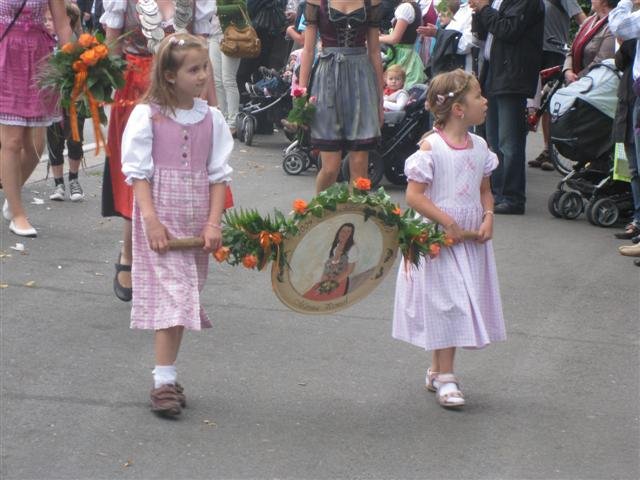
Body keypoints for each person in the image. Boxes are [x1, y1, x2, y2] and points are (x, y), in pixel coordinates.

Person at [120, 33, 233, 417]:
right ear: (169, 75)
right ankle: (163, 383)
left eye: (205, 68)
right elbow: (138, 175)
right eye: (193, 70)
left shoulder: (211, 118)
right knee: (175, 299)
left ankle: (166, 375)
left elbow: (218, 176)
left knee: (185, 297)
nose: (203, 76)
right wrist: (150, 221)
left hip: (195, 221)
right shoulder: (147, 115)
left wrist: (213, 223)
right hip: (162, 220)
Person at [393, 69, 505, 409]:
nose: (485, 101)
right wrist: (447, 222)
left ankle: (437, 371)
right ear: (458, 109)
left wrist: (488, 216)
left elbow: (484, 190)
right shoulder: (432, 147)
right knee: (449, 303)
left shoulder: (480, 147)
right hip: (436, 238)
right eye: (478, 96)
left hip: (467, 239)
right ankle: (446, 377)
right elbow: (414, 196)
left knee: (454, 302)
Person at [100, 0, 216, 302]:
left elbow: (202, 54)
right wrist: (99, 86)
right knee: (139, 174)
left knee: (181, 173)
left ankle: (176, 257)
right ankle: (129, 252)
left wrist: (211, 105)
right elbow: (112, 49)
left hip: (184, 92)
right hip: (136, 90)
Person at [0, 0, 72, 237]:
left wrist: (75, 64)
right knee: (12, 141)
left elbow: (62, 25)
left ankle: (12, 196)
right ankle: (18, 214)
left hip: (38, 58)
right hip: (5, 55)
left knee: (33, 150)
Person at [299, 0, 385, 194]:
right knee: (330, 168)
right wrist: (301, 94)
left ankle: (357, 211)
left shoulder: (372, 2)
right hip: (327, 79)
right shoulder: (316, 2)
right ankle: (319, 210)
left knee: (360, 165)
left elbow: (374, 51)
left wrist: (379, 99)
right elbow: (308, 50)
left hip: (361, 78)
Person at [470, 0, 545, 215]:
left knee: (509, 142)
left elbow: (508, 30)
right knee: (493, 139)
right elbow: (482, 34)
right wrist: (478, 12)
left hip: (512, 75)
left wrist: (485, 9)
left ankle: (512, 197)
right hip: (494, 72)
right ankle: (496, 192)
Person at [528, 0, 585, 171]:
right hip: (533, 51)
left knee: (549, 103)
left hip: (554, 52)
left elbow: (583, 21)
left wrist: (579, 47)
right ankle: (546, 150)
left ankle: (549, 150)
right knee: (533, 103)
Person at [46, 1, 86, 202]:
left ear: (66, 19)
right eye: (46, 19)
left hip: (75, 97)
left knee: (75, 138)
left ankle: (74, 180)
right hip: (52, 98)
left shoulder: (79, 43)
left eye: (50, 19)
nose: (47, 23)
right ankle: (58, 184)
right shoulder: (45, 41)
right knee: (54, 138)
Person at [609, 0, 640, 263]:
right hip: (632, 93)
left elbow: (619, 26)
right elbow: (621, 58)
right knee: (635, 167)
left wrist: (627, 2)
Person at [209, 0, 247, 136]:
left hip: (232, 36)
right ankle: (222, 119)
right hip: (213, 35)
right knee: (217, 80)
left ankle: (232, 123)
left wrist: (217, 10)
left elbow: (241, 6)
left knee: (228, 80)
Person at [563, 0, 618, 86]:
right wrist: (568, 70)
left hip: (593, 85)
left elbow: (601, 62)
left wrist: (577, 79)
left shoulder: (613, 27)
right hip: (574, 82)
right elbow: (572, 50)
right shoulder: (588, 21)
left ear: (605, 3)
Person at [303, 222, 358, 300]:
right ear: (339, 232)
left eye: (348, 232)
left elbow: (349, 271)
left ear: (351, 235)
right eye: (343, 231)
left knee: (320, 298)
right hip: (328, 278)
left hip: (340, 280)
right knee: (309, 295)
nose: (345, 233)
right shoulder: (334, 246)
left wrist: (332, 284)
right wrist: (323, 280)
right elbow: (328, 265)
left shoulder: (352, 249)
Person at [379, 0, 426, 88]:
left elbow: (395, 39)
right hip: (408, 53)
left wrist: (376, 39)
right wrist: (382, 36)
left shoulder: (406, 7)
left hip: (402, 56)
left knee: (397, 86)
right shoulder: (414, 7)